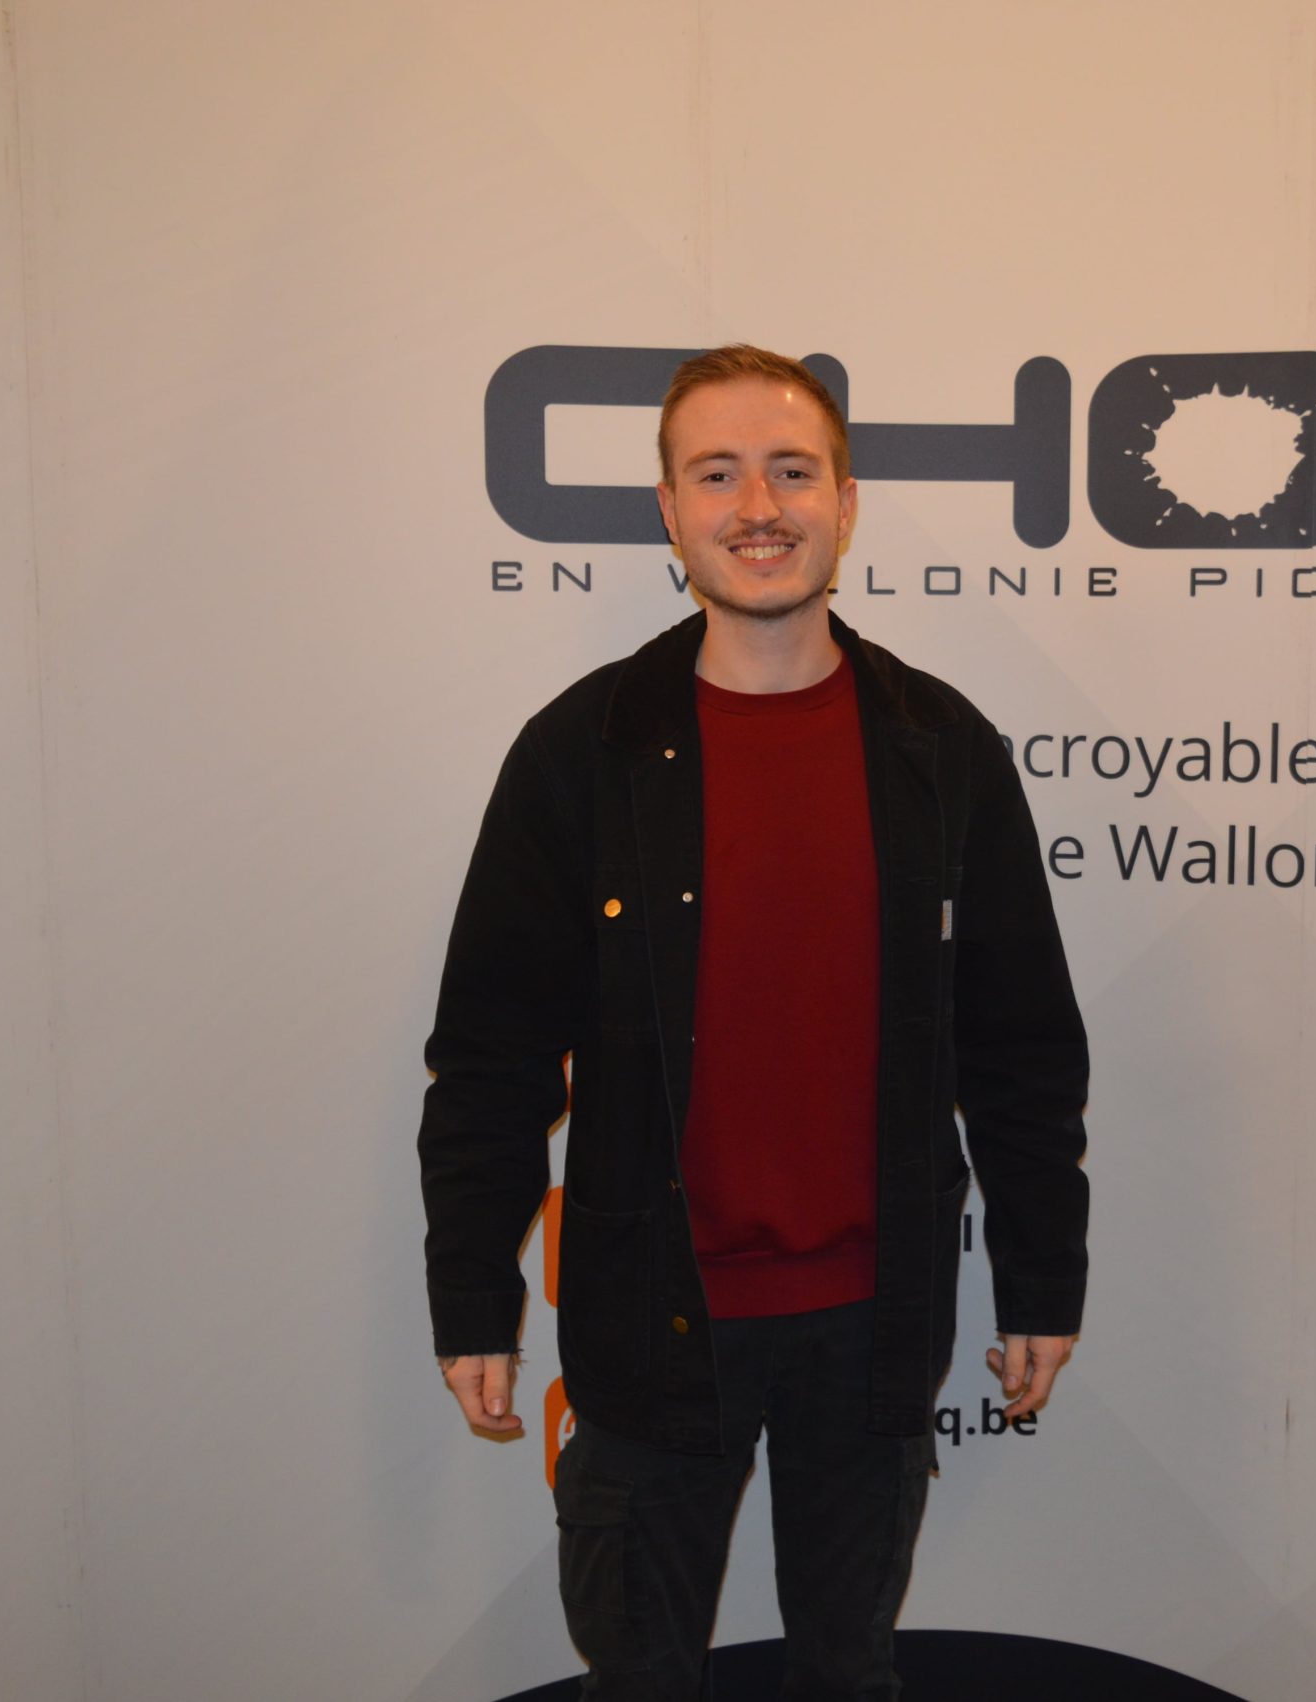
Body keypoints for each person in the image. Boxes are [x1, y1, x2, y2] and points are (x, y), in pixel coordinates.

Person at [417, 344, 1091, 1700]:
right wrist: (474, 1294)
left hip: (875, 1323)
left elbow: (1020, 1048)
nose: (760, 507)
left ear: (846, 502)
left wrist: (1041, 1275)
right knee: (641, 1679)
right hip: (648, 1322)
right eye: (717, 474)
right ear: (669, 511)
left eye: (792, 471)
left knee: (849, 1674)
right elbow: (491, 1056)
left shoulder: (942, 750)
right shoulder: (581, 751)